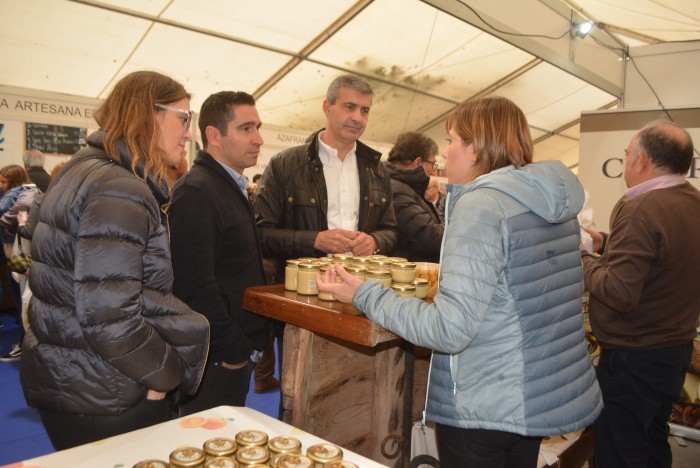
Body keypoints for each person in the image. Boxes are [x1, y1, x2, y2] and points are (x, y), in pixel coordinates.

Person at [317, 96, 601, 467]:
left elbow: (449, 329)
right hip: (531, 396)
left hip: (485, 399)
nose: (444, 153)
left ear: (477, 148)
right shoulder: (553, 205)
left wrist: (365, 294)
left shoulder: (483, 206)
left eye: (451, 140)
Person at [19, 70, 210, 450]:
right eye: (184, 117)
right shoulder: (118, 188)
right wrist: (164, 375)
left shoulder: (84, 169)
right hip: (108, 392)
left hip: (78, 381)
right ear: (148, 114)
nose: (189, 133)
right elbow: (108, 315)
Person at [581, 120, 700, 468]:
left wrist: (583, 259)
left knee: (620, 453)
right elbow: (662, 261)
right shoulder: (691, 202)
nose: (626, 160)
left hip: (635, 357)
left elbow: (619, 292)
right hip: (672, 349)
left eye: (628, 153)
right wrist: (607, 242)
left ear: (642, 160)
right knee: (651, 443)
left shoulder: (642, 208)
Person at [169, 91, 271, 415]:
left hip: (229, 352)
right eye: (246, 129)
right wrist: (233, 349)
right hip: (215, 359)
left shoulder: (223, 185)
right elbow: (193, 285)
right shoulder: (198, 192)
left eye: (257, 127)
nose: (258, 138)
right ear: (214, 136)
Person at [254, 73, 397, 283]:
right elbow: (261, 234)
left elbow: (391, 230)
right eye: (349, 107)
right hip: (304, 291)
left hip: (361, 291)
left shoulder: (376, 169)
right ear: (327, 107)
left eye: (364, 110)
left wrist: (375, 241)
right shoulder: (285, 164)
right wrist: (315, 240)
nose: (358, 117)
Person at [0, 164, 40, 362]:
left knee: (23, 302)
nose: (1, 186)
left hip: (22, 258)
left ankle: (25, 346)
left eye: (3, 181)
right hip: (27, 256)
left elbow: (25, 228)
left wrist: (11, 223)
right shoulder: (35, 193)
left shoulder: (20, 195)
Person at [386, 131, 444, 262]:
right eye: (432, 164)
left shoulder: (403, 187)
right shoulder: (396, 190)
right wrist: (453, 215)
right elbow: (431, 240)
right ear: (418, 162)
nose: (433, 170)